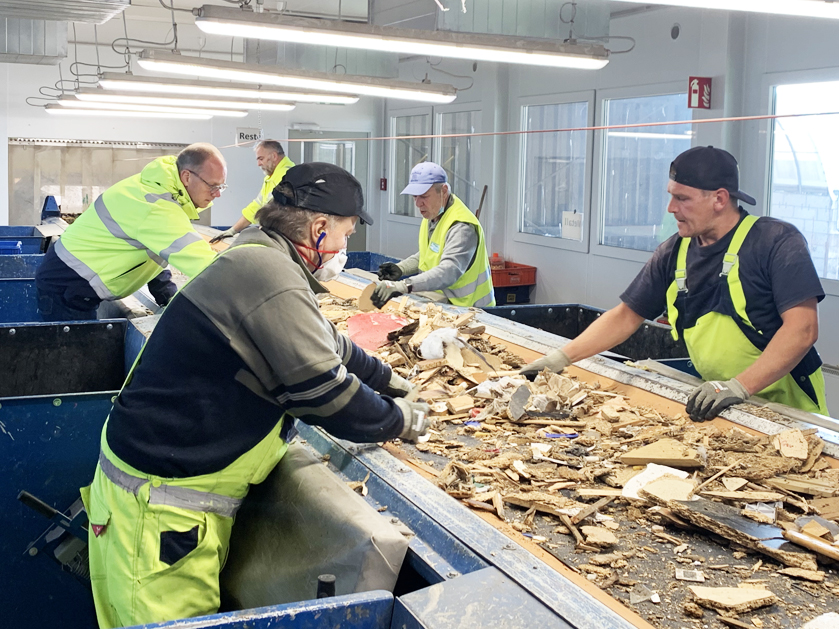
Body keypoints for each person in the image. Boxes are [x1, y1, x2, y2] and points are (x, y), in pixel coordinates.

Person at [81, 162, 430, 629]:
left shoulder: (259, 253)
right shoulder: (269, 273)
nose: (345, 247)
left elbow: (322, 337)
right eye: (346, 234)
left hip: (168, 494)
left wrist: (386, 377)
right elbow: (325, 395)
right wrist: (401, 420)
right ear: (320, 228)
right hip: (160, 511)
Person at [521, 146, 829, 421]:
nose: (671, 208)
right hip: (718, 402)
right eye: (671, 196)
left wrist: (739, 386)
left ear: (719, 199)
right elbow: (626, 315)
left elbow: (802, 330)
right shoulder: (674, 252)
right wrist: (560, 358)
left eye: (682, 198)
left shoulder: (775, 242)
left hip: (789, 412)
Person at [35, 143, 225, 321]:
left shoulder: (162, 191)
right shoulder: (155, 205)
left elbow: (154, 252)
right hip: (64, 287)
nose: (218, 194)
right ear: (186, 177)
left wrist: (167, 296)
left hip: (71, 283)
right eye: (213, 186)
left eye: (222, 187)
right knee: (75, 353)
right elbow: (206, 266)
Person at [372, 162, 495, 309]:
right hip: (442, 304)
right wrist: (401, 268)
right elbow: (430, 253)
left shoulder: (461, 227)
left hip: (472, 311)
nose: (418, 204)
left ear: (443, 191)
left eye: (424, 196)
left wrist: (404, 285)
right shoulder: (433, 214)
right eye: (414, 197)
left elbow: (448, 271)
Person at [210, 139, 295, 243]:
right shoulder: (273, 177)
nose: (259, 164)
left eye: (261, 159)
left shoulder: (286, 175)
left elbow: (271, 209)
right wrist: (233, 230)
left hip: (286, 238)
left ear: (273, 156)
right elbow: (257, 206)